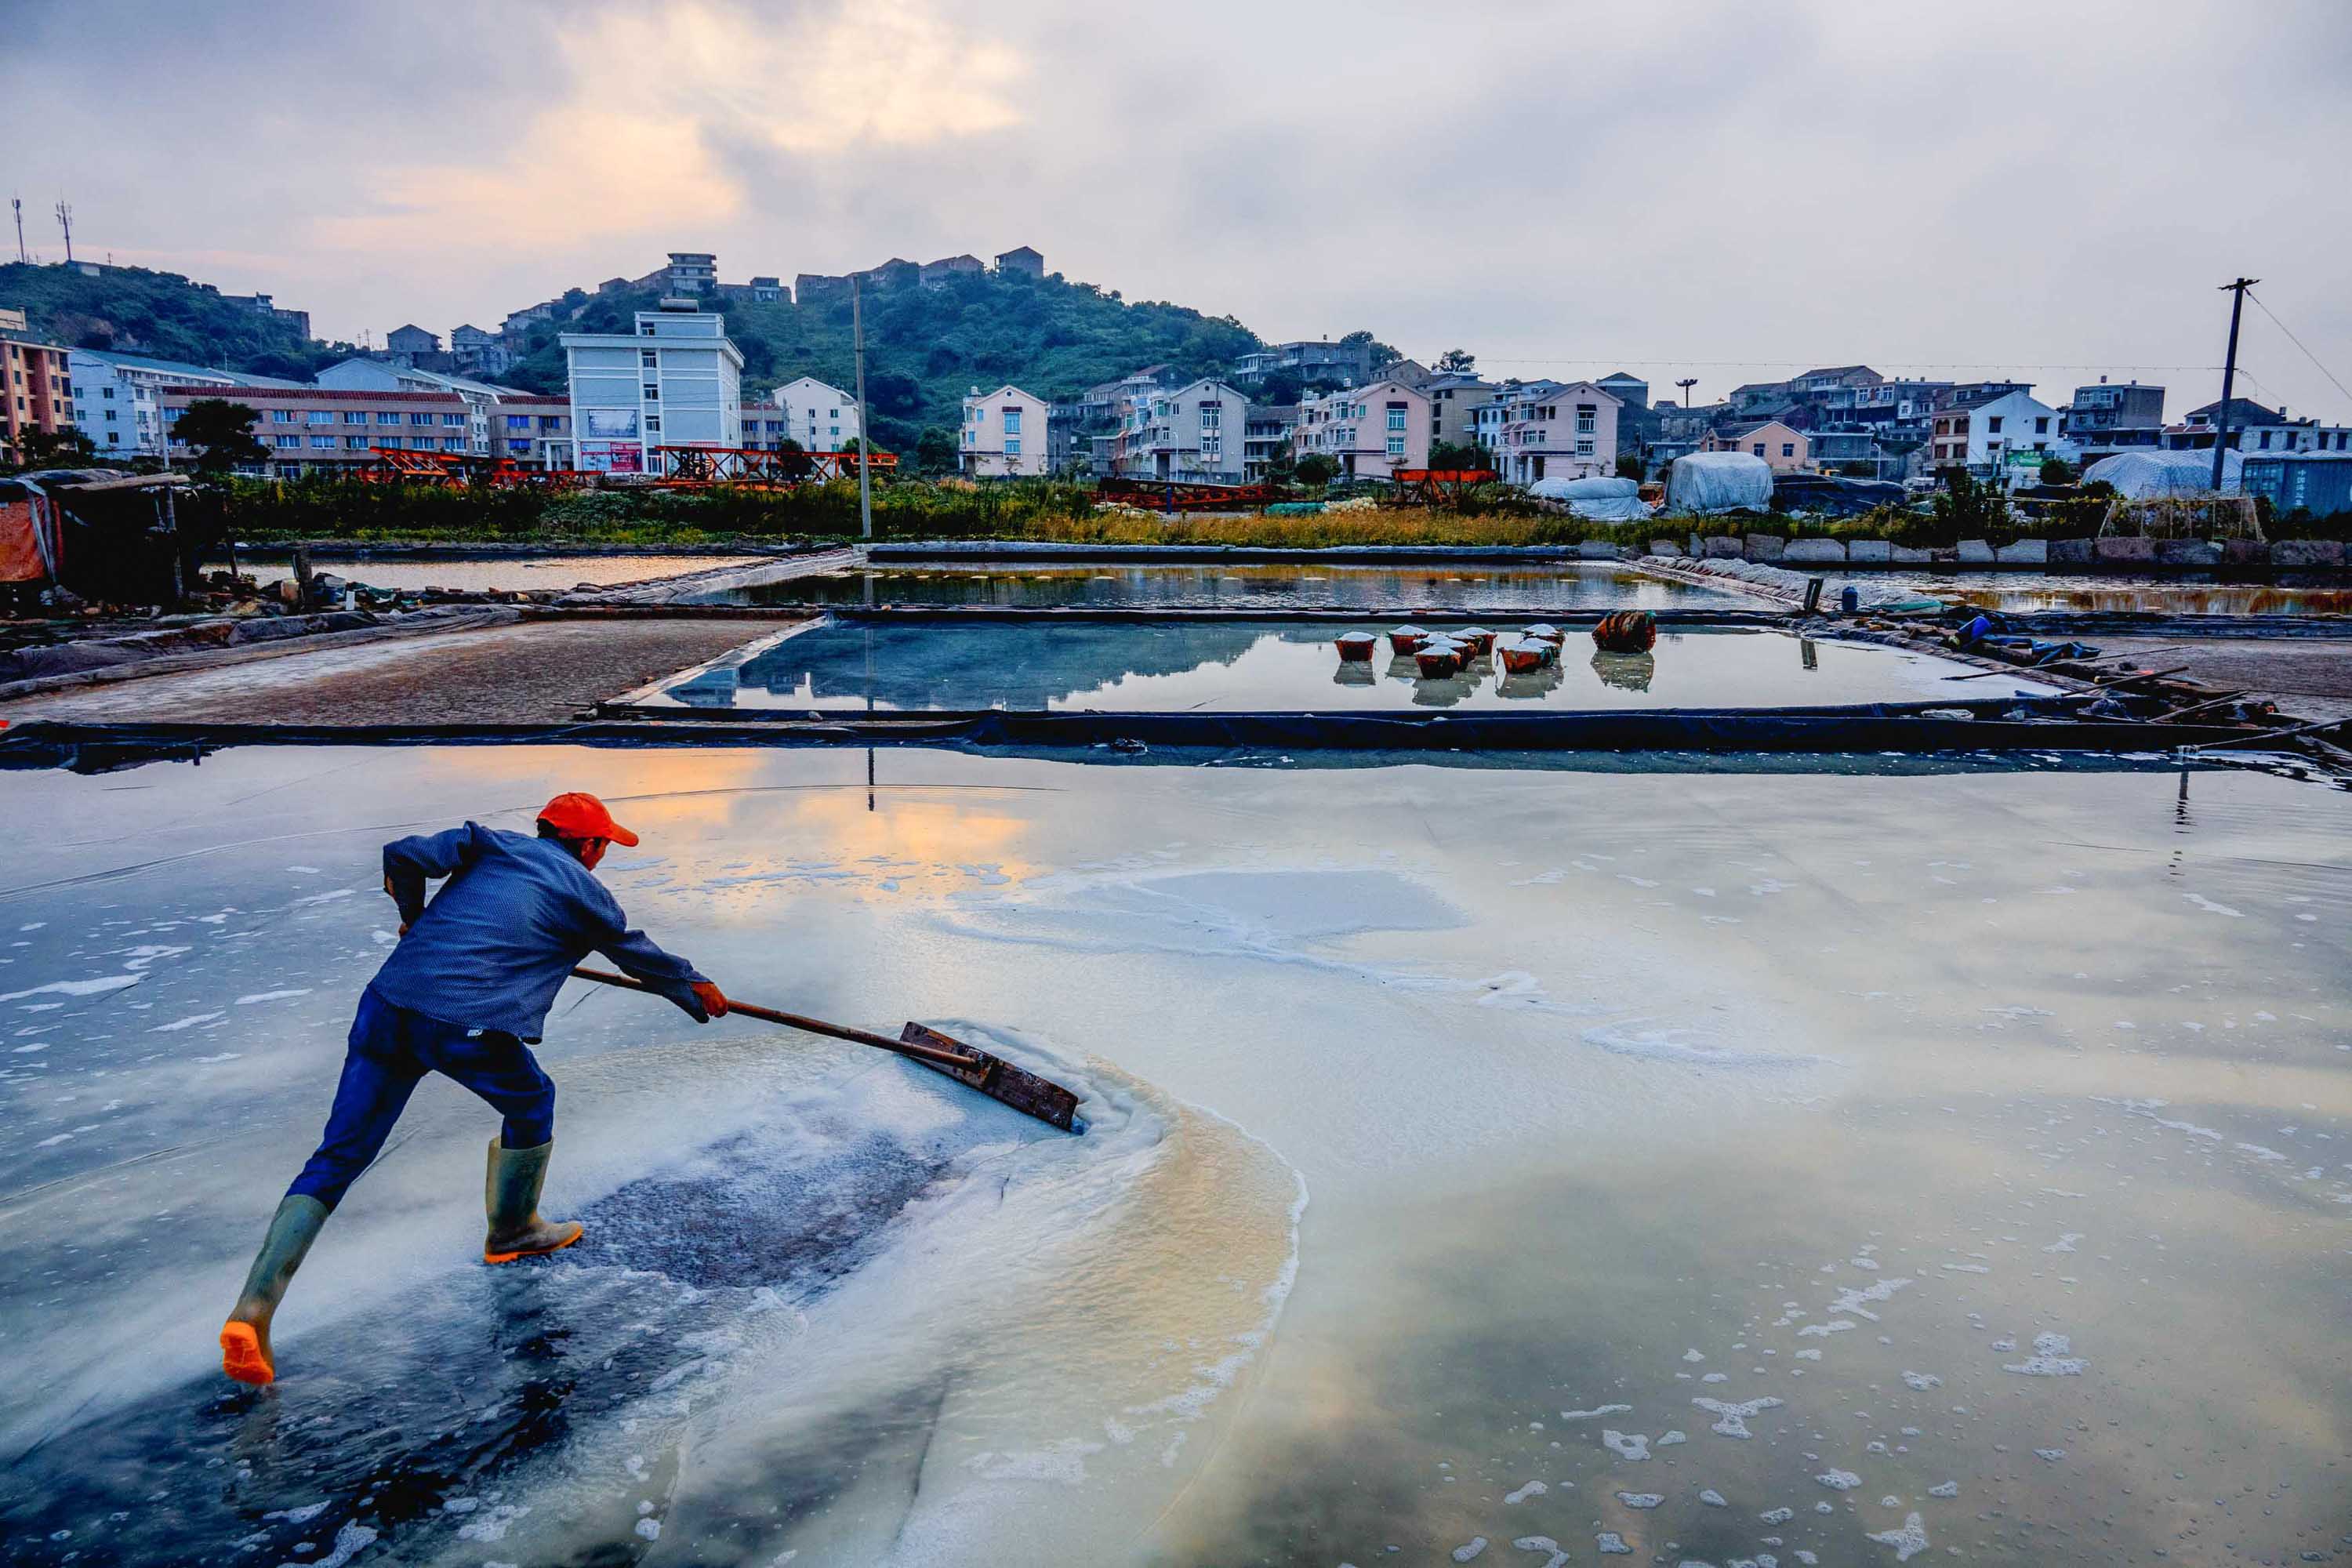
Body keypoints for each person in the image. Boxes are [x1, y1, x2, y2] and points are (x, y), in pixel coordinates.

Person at [219, 792, 728, 1387]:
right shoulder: (586, 895)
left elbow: (402, 856)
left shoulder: (489, 843)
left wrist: (411, 917)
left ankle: (252, 1310)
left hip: (387, 1005)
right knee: (531, 1101)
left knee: (338, 1156)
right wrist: (697, 987)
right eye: (604, 846)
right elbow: (639, 956)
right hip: (463, 1023)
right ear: (588, 846)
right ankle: (513, 1229)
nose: (602, 856)